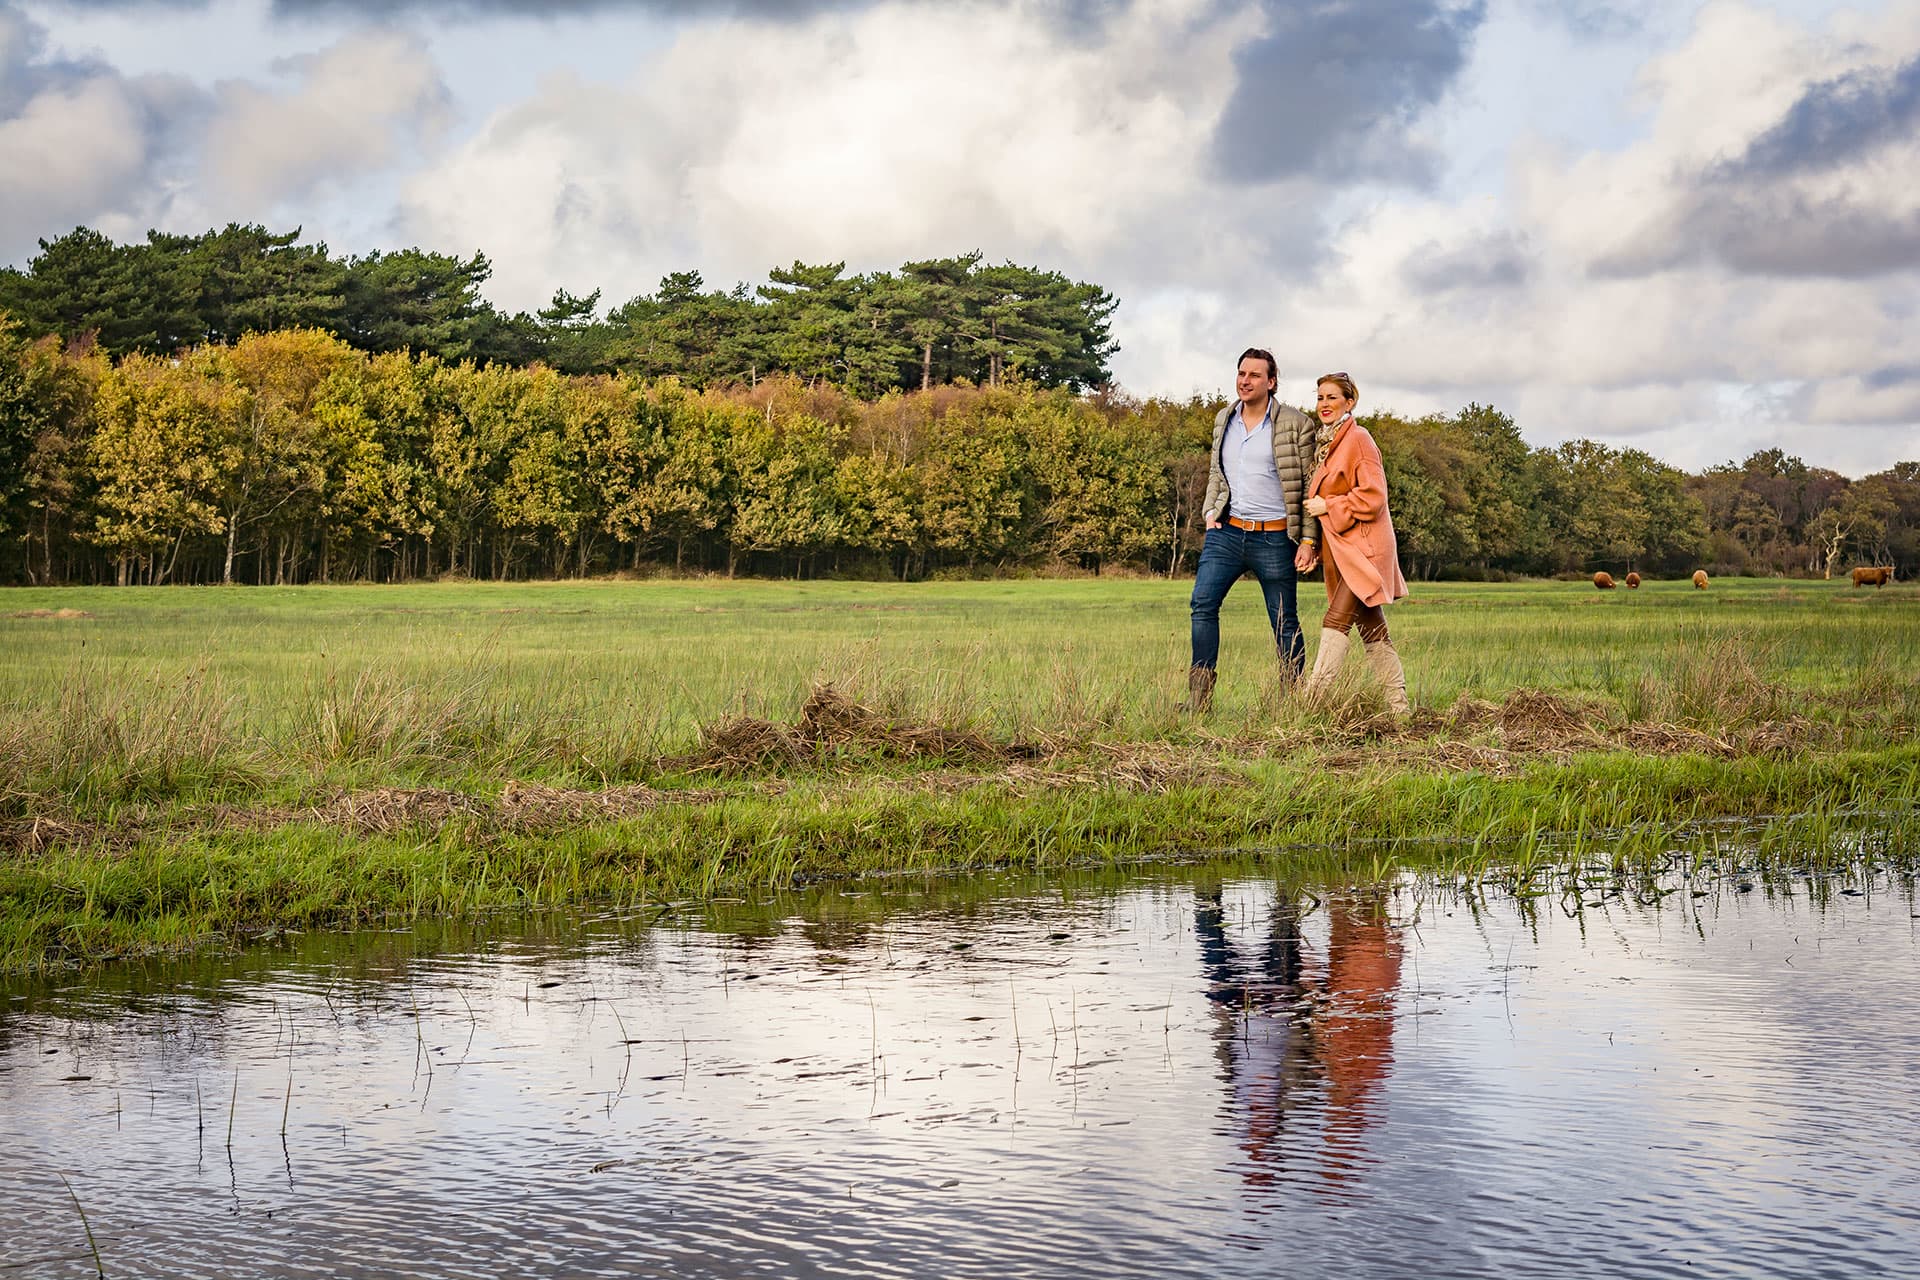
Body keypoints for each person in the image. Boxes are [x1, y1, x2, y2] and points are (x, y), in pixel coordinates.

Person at [1186, 348, 1322, 710]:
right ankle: (1199, 700)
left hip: (1275, 538)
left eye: (1254, 375)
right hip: (1226, 534)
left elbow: (1311, 487)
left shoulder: (1296, 424)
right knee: (1202, 604)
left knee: (1283, 621)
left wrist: (1308, 540)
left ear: (1271, 382)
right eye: (1241, 373)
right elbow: (1217, 470)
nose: (1245, 381)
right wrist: (1210, 512)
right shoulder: (1223, 419)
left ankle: (1291, 700)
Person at [1298, 372, 1409, 713]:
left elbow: (1374, 496)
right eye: (1320, 397)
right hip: (1341, 549)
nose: (1324, 404)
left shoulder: (1359, 439)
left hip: (1364, 548)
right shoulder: (1326, 444)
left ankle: (1310, 705)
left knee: (1336, 619)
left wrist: (1329, 505)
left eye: (1332, 397)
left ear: (1350, 402)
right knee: (1372, 627)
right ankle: (1398, 706)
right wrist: (1314, 544)